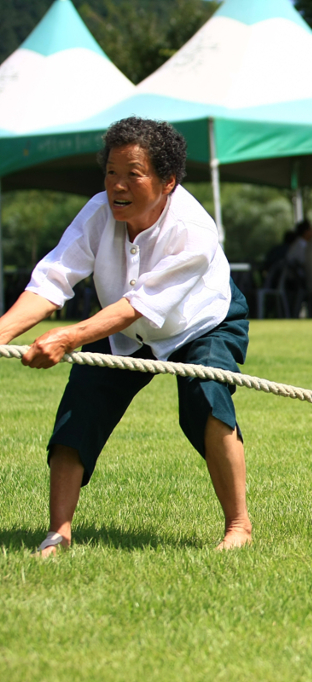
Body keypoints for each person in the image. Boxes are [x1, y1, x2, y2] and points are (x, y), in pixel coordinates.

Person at [0, 117, 253, 556]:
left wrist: (68, 337)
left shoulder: (194, 230)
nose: (117, 185)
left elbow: (142, 304)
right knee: (79, 409)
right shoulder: (98, 213)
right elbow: (52, 280)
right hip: (121, 328)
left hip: (200, 323)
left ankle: (239, 526)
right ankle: (58, 532)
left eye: (132, 174)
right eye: (111, 172)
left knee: (207, 402)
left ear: (167, 181)